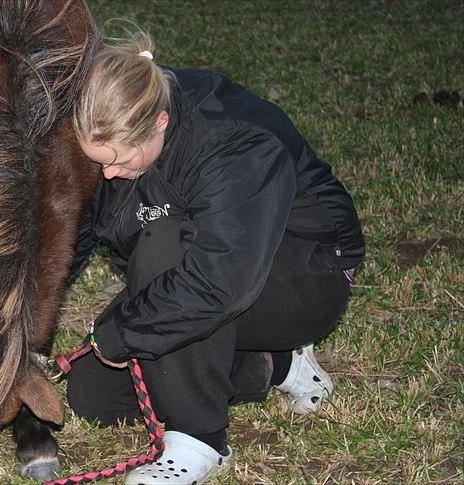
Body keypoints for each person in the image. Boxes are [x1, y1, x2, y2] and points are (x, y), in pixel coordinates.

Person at [67, 30, 365, 485]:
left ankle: (199, 441)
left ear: (160, 122)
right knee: (94, 392)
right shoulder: (111, 130)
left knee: (164, 250)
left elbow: (219, 281)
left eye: (119, 162)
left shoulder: (232, 141)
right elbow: (76, 236)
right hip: (202, 275)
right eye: (98, 162)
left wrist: (123, 329)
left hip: (303, 274)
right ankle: (280, 366)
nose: (108, 174)